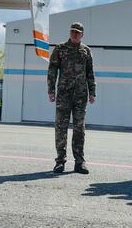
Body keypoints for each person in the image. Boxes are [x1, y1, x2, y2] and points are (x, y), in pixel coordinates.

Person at [48, 22, 96, 174]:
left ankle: (79, 162)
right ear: (70, 32)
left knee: (79, 129)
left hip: (80, 96)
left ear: (82, 35)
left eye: (78, 32)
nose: (75, 34)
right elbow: (52, 70)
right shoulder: (60, 48)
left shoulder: (86, 51)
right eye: (72, 32)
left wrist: (92, 92)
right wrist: (51, 90)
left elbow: (90, 73)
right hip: (64, 94)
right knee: (61, 128)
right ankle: (60, 161)